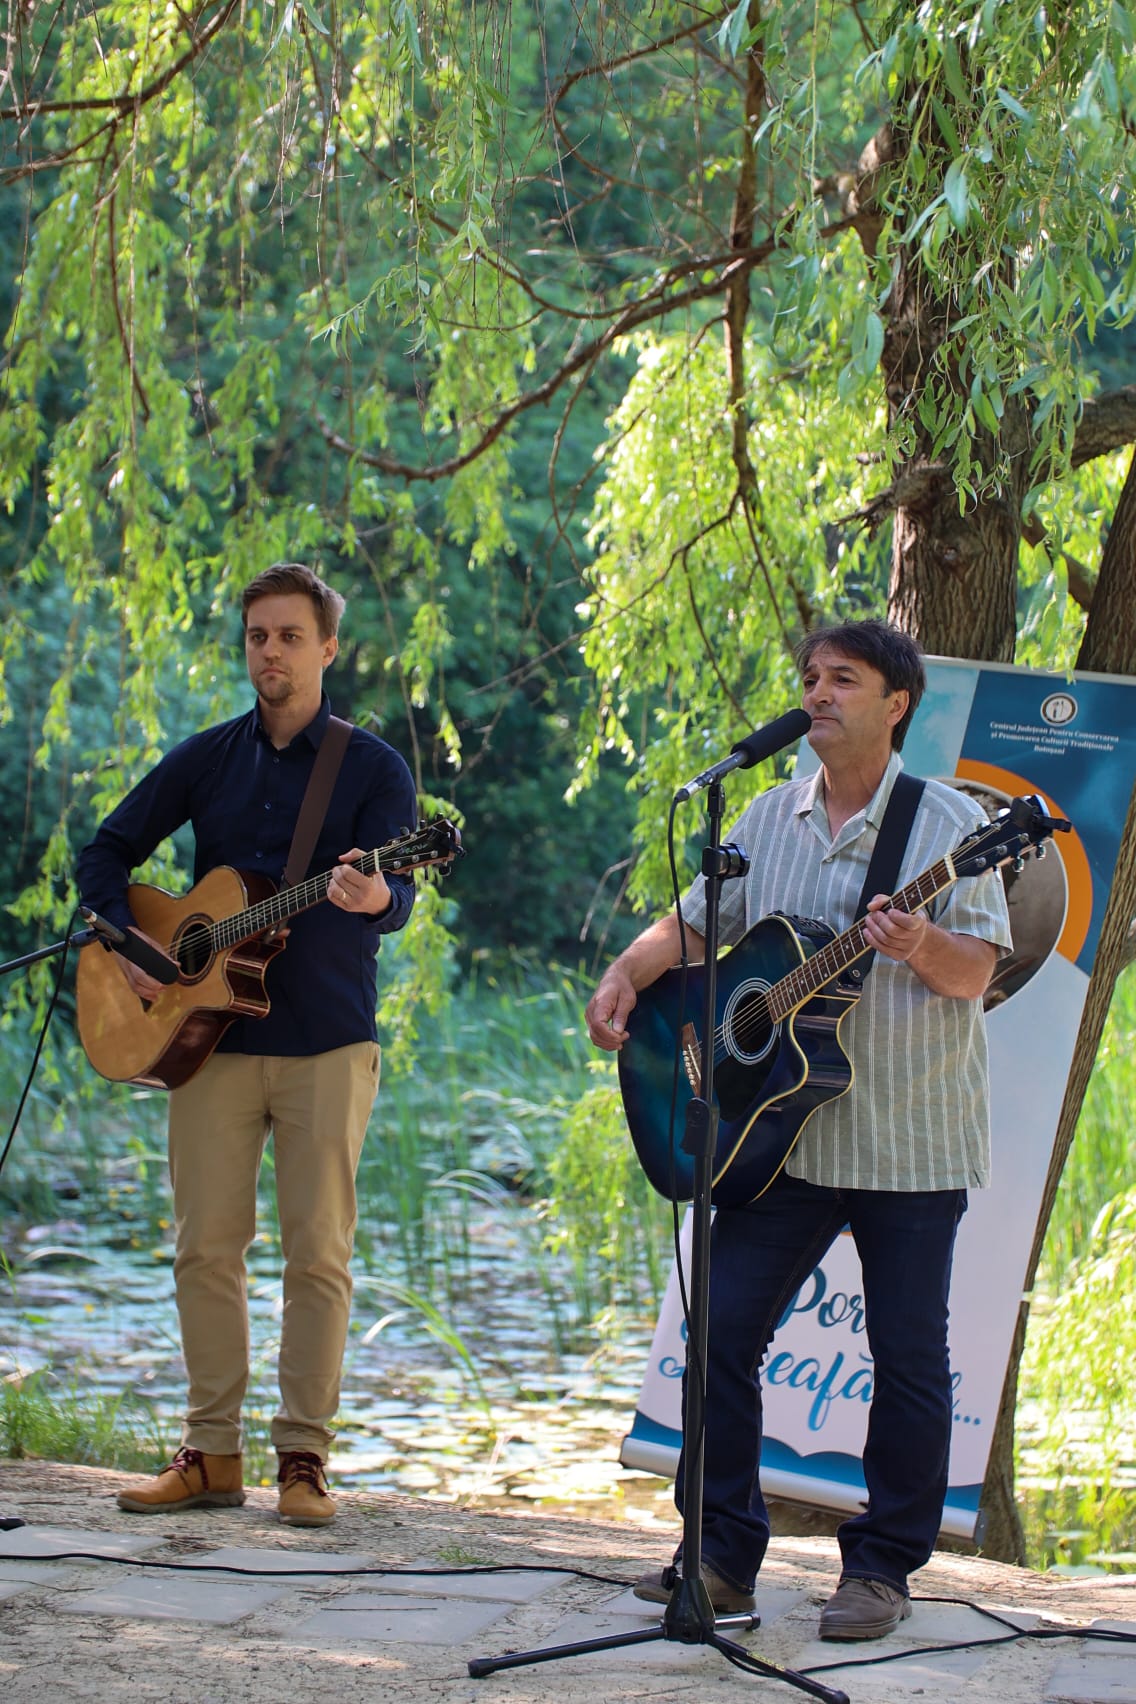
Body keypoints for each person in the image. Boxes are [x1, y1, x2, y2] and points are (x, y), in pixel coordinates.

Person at [584, 619, 1013, 1641]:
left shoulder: (951, 823)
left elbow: (976, 973)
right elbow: (699, 925)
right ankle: (721, 1555)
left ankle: (881, 1571)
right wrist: (628, 971)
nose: (817, 693)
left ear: (895, 704)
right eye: (810, 678)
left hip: (907, 1139)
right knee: (720, 1333)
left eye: (842, 679)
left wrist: (919, 943)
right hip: (774, 1141)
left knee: (908, 1360)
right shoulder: (765, 814)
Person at [77, 563, 418, 1527]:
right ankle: (210, 1454)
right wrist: (133, 949)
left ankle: (303, 1458)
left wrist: (377, 895)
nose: (272, 652)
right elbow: (105, 854)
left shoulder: (373, 769)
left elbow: (400, 896)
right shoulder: (206, 758)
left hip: (329, 1040)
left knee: (318, 1256)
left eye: (290, 636)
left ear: (328, 648)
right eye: (258, 636)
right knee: (205, 1250)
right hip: (206, 1041)